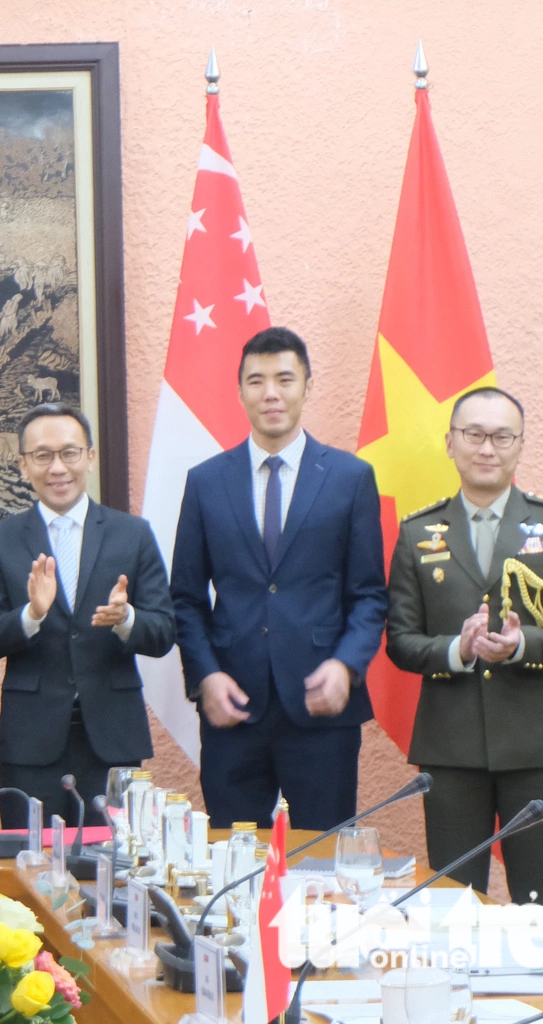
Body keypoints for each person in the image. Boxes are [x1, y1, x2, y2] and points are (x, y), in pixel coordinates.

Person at [171, 327, 387, 830]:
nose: (271, 393)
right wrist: (206, 675)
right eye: (257, 381)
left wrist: (346, 666)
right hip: (233, 707)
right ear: (241, 391)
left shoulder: (350, 478)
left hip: (322, 709)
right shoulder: (206, 481)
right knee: (232, 861)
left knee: (321, 861)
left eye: (285, 379)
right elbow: (185, 598)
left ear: (308, 387)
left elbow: (370, 595)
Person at [385, 388, 543, 908]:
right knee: (455, 904)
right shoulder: (416, 534)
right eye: (473, 434)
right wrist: (459, 649)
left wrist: (523, 645)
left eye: (502, 436)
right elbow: (402, 642)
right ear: (450, 443)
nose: (487, 448)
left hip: (537, 745)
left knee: (538, 904)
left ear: (519, 446)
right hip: (450, 746)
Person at [0, 405, 176, 829]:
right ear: (23, 465)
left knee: (116, 872)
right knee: (31, 875)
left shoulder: (132, 534)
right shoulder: (1, 539)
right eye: (42, 456)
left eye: (69, 453)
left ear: (90, 457)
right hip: (30, 744)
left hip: (112, 741)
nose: (58, 467)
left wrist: (126, 618)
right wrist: (31, 614)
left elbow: (163, 633)